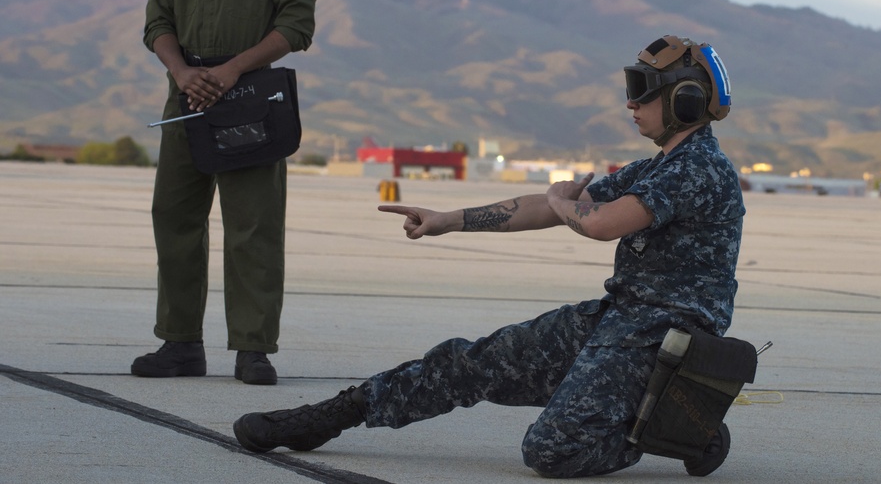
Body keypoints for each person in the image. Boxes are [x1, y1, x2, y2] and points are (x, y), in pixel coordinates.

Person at [233, 35, 744, 476]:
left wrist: (561, 201)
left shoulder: (699, 168)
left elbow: (599, 223)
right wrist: (448, 219)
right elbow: (547, 209)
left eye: (641, 92)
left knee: (552, 452)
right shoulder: (657, 166)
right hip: (623, 319)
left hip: (666, 337)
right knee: (470, 362)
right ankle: (325, 418)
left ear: (685, 101)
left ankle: (682, 427)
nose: (630, 105)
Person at [132, 0, 316, 386]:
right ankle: (181, 344)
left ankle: (253, 349)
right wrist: (185, 71)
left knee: (252, 223)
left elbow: (297, 25)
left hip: (251, 96)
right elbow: (157, 21)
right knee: (175, 215)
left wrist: (231, 69)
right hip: (186, 92)